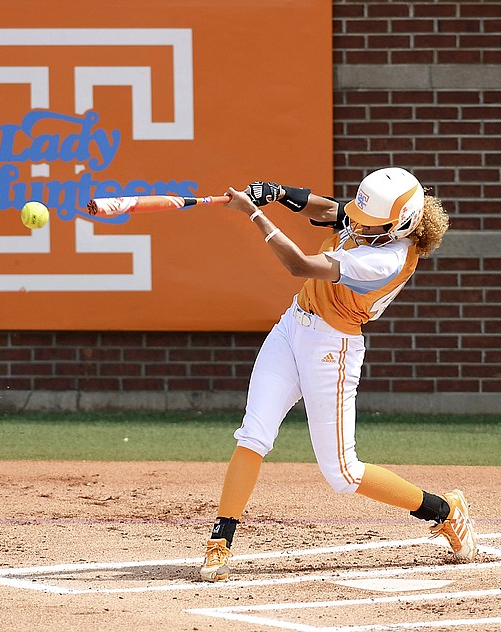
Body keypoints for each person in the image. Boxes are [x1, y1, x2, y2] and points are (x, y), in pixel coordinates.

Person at [200, 167, 476, 582]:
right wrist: (276, 191)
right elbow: (332, 210)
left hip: (333, 348)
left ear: (400, 225)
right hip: (293, 326)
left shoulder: (384, 259)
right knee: (253, 434)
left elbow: (297, 264)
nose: (358, 228)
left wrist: (253, 214)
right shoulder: (378, 223)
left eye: (369, 226)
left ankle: (444, 510)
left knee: (343, 474)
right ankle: (220, 540)